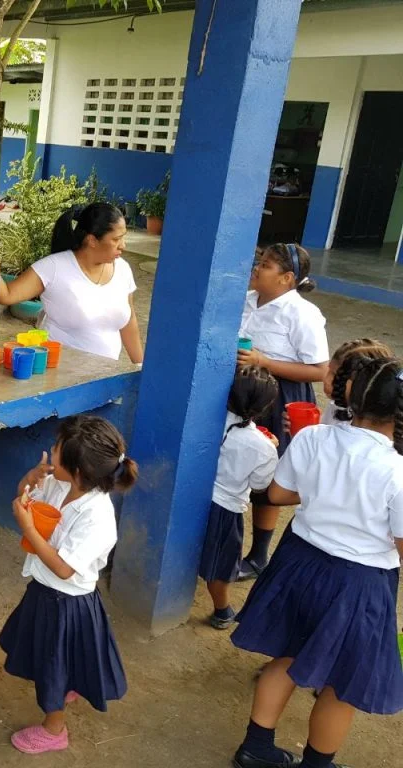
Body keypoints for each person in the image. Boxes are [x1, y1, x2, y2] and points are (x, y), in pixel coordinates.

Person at [229, 356, 403, 768]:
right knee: (341, 686)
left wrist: (327, 496)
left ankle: (255, 747)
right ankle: (318, 765)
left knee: (286, 658)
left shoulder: (313, 438)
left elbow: (277, 495)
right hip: (359, 584)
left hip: (299, 563)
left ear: (353, 396)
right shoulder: (397, 471)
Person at [0, 415, 135, 754]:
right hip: (45, 593)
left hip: (67, 602)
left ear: (78, 470)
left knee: (51, 666)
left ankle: (54, 730)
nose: (52, 453)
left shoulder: (97, 517)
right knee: (56, 657)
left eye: (58, 450)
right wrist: (29, 479)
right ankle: (67, 682)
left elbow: (63, 569)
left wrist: (29, 530)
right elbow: (27, 496)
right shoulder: (60, 483)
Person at [236, 243, 329, 581]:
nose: (257, 269)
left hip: (278, 398)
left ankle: (258, 555)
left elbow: (320, 370)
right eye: (259, 261)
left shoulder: (301, 314)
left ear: (288, 278)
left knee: (268, 476)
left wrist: (264, 361)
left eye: (266, 265)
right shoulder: (246, 300)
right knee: (236, 465)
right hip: (243, 392)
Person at [0, 202, 144, 363]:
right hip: (59, 376)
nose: (123, 245)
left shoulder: (123, 269)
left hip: (105, 377)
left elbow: (130, 321)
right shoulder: (54, 267)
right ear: (92, 240)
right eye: (116, 239)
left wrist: (140, 366)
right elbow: (6, 295)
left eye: (123, 237)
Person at [198, 366, 279, 629]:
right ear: (264, 407)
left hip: (194, 498)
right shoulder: (263, 447)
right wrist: (271, 447)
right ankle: (222, 610)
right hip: (226, 511)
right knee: (221, 567)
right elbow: (259, 486)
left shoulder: (206, 420)